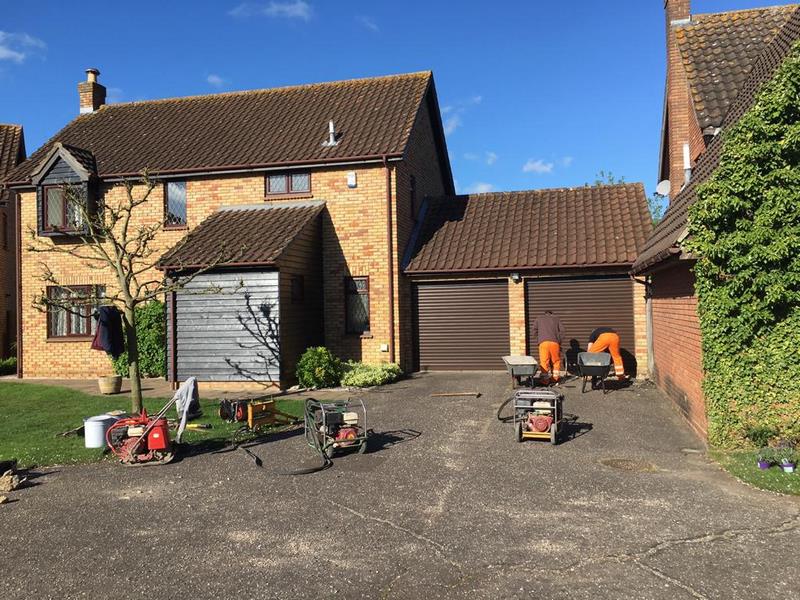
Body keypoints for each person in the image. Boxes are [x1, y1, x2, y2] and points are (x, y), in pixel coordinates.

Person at [530, 310, 564, 385]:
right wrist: (559, 342)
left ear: (545, 314)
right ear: (551, 314)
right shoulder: (556, 318)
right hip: (555, 343)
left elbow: (534, 331)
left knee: (544, 362)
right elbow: (562, 331)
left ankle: (545, 381)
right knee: (556, 361)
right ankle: (555, 379)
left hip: (543, 343)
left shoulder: (538, 318)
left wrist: (539, 339)